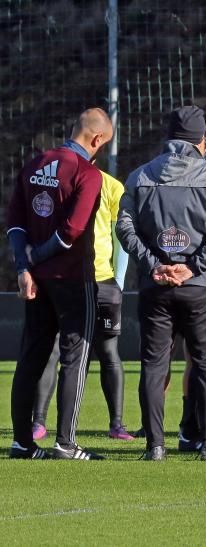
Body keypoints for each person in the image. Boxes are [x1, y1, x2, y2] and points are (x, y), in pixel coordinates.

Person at [117, 105, 206, 461]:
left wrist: (154, 264)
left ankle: (155, 445)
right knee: (205, 365)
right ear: (202, 138)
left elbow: (125, 227)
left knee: (154, 365)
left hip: (156, 286)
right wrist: (193, 267)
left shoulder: (140, 176)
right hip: (201, 286)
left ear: (168, 136)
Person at [7, 108, 114, 460]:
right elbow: (72, 231)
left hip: (35, 282)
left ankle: (22, 442)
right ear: (96, 139)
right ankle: (66, 443)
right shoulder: (87, 173)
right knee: (75, 358)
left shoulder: (36, 163)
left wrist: (24, 267)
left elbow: (15, 223)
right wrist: (36, 259)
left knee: (31, 357)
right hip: (71, 278)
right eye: (104, 145)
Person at [31, 166, 134, 442]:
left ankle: (116, 424)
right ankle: (38, 421)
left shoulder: (112, 185)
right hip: (68, 279)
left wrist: (118, 280)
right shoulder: (57, 182)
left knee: (108, 351)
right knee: (54, 349)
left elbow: (120, 236)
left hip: (103, 280)